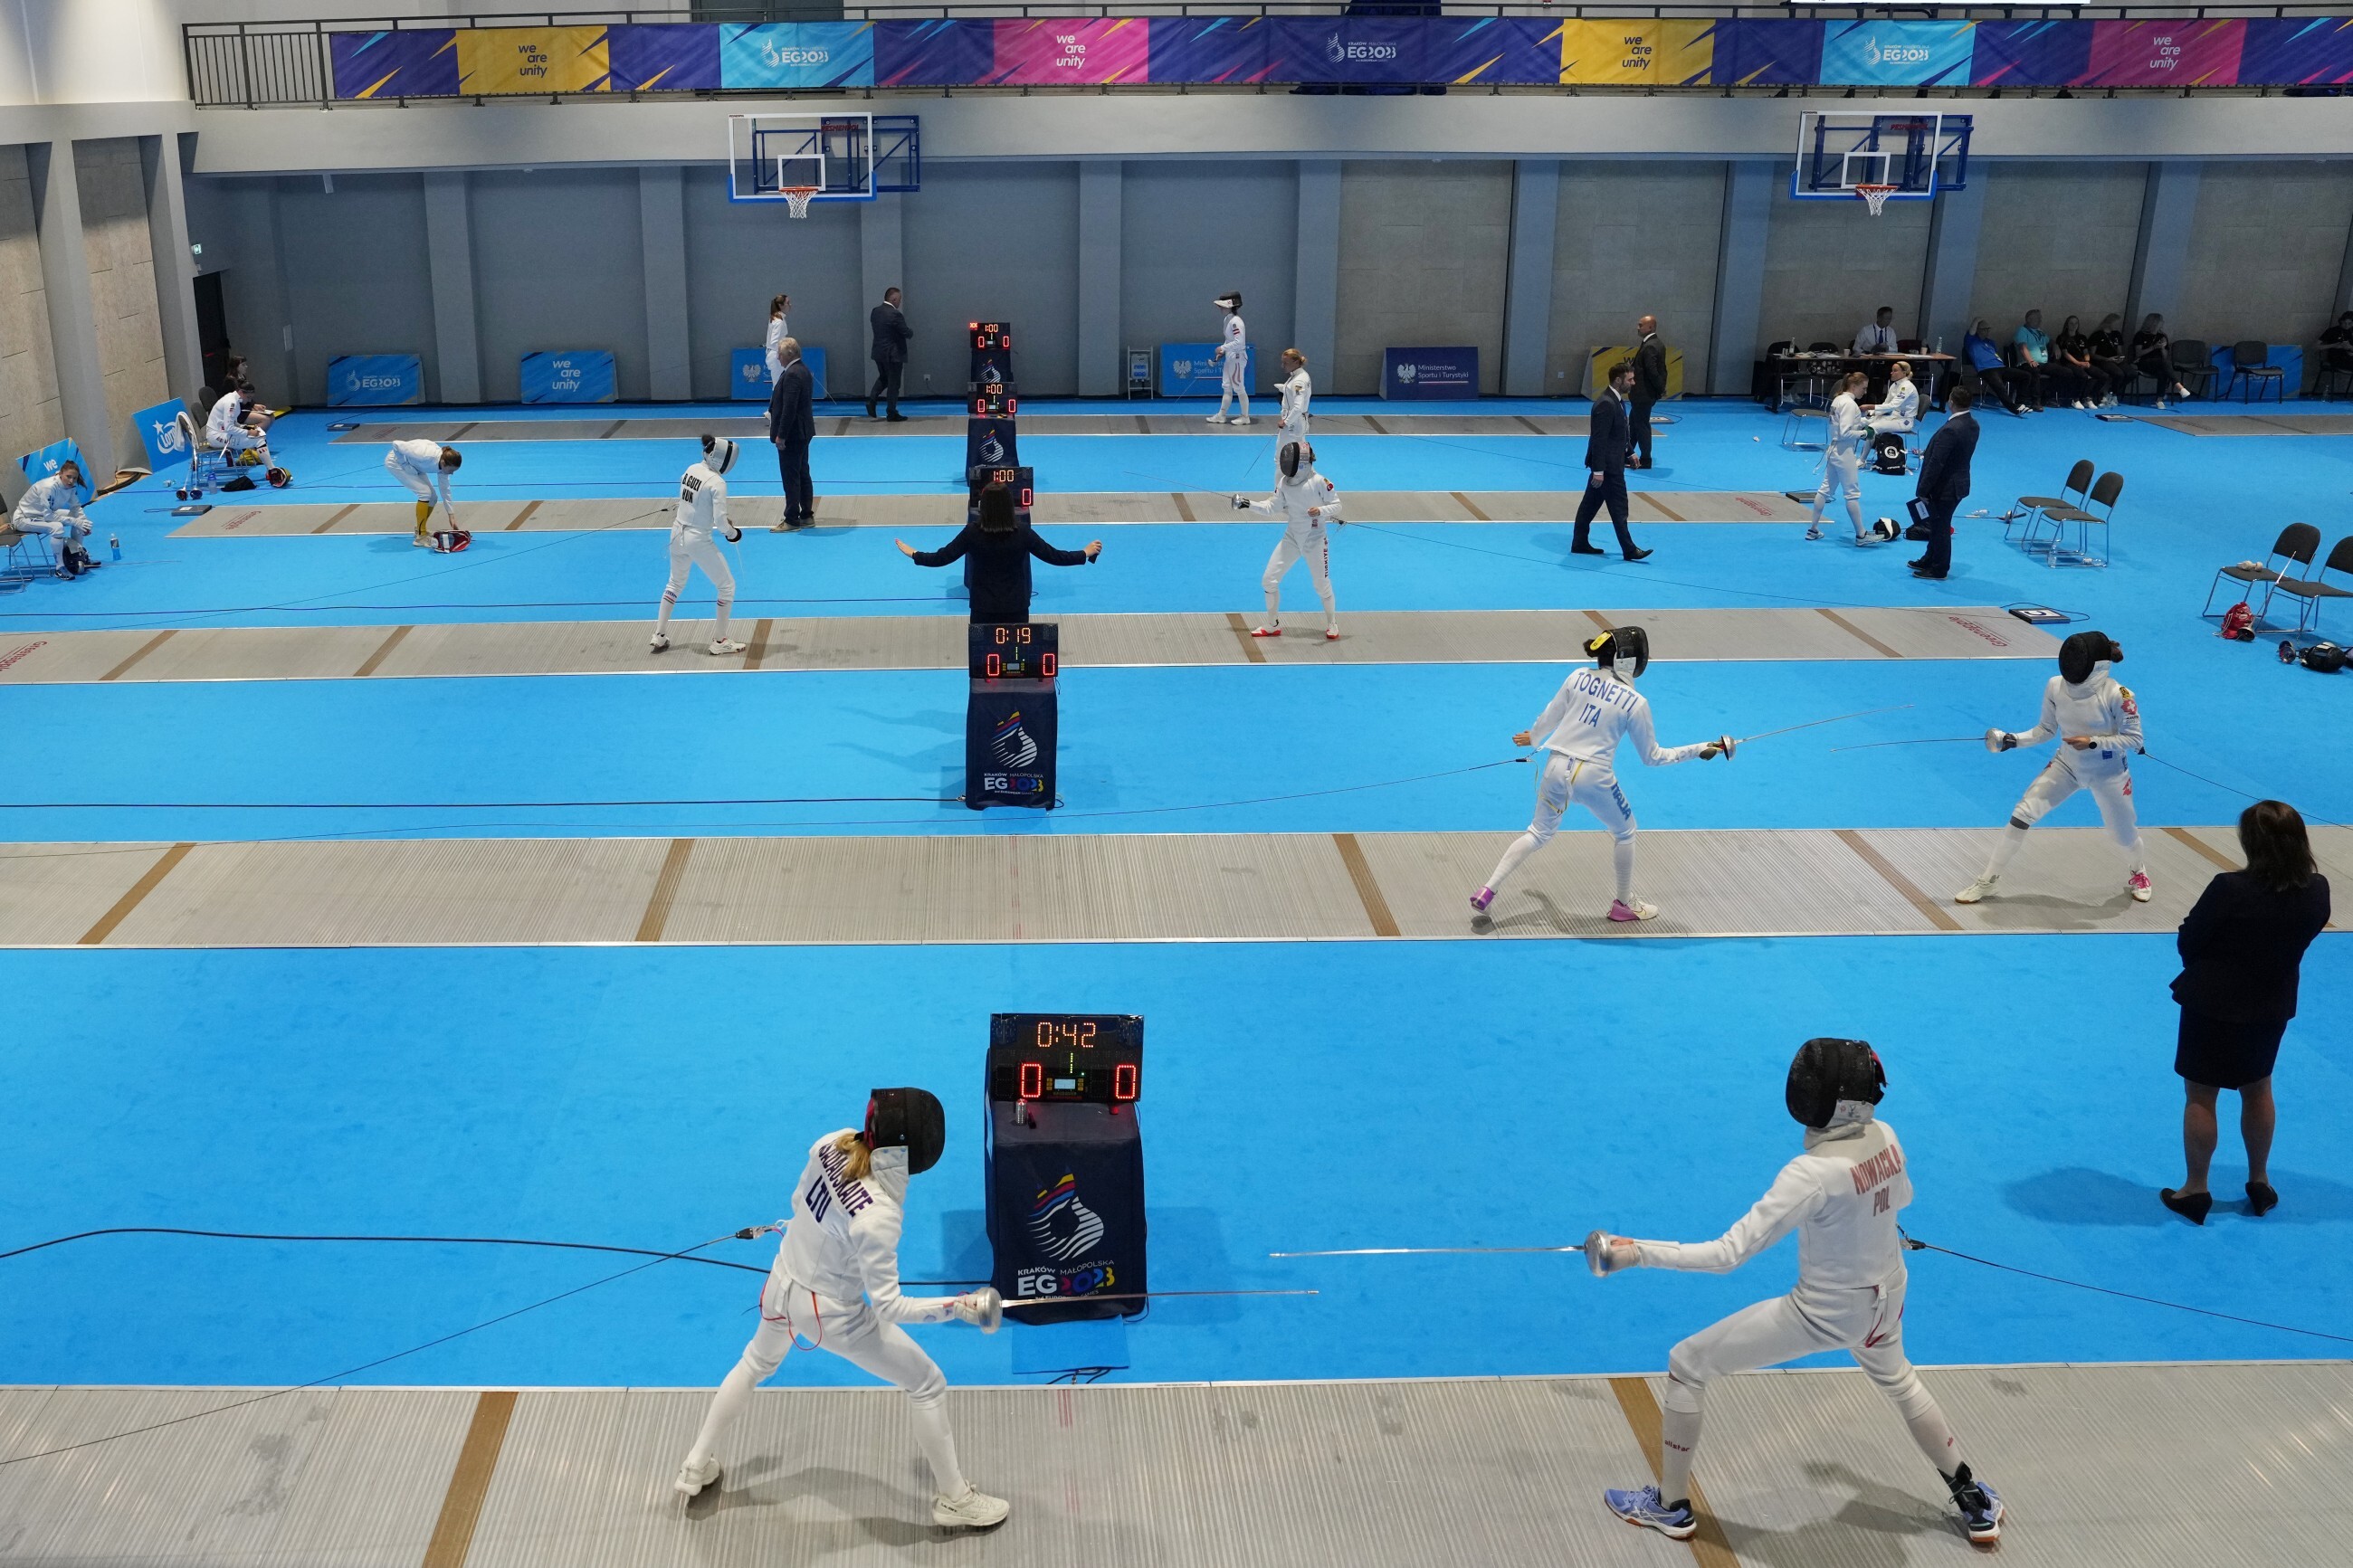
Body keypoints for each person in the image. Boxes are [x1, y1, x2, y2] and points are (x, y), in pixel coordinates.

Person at [1587, 1039, 2005, 1547]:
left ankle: (1670, 1506)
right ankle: (1973, 1498)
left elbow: (1727, 1254)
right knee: (1900, 1381)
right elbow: (1902, 1198)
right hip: (1887, 1300)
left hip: (1825, 1313)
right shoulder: (1887, 1136)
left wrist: (1637, 1252)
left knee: (1687, 1364)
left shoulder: (1810, 1174)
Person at [672, 1088, 1011, 1530]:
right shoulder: (879, 1216)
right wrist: (956, 1307)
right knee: (927, 1383)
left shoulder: (831, 1142)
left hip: (780, 1282)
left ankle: (695, 1466)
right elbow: (889, 1306)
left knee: (754, 1363)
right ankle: (956, 1500)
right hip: (830, 1314)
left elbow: (798, 1204)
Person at [1468, 626, 1731, 923]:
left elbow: (1549, 717)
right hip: (1593, 776)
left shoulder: (1578, 676)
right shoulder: (1636, 702)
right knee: (1626, 832)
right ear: (1629, 661)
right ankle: (1623, 905)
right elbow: (1653, 757)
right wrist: (1698, 749)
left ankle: (1488, 889)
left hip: (1555, 766)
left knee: (1537, 833)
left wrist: (1535, 737)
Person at [2161, 801, 2331, 1224]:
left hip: (2212, 1004)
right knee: (2258, 1088)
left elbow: (2190, 939)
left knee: (2201, 1094)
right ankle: (2259, 1181)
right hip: (2271, 1004)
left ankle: (2195, 1189)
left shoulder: (2229, 888)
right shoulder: (2317, 889)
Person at [1957, 631, 2149, 905]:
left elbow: (2135, 739)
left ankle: (2138, 871)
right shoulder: (2055, 686)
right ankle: (1988, 880)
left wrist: (2092, 741)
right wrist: (2013, 740)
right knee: (2021, 815)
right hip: (2067, 765)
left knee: (2124, 834)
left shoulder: (2119, 695)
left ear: (2094, 665)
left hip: (2109, 773)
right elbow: (2046, 730)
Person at [897, 480, 1100, 623]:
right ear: (1009, 505)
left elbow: (942, 557)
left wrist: (915, 554)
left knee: (983, 659)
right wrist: (1084, 553)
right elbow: (1054, 556)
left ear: (983, 506)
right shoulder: (1023, 533)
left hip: (983, 607)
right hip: (1016, 606)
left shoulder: (972, 533)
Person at [1232, 440, 1342, 640]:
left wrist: (1320, 510)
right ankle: (1272, 624)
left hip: (1315, 539)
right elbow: (1271, 507)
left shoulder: (1320, 481)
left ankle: (1332, 623)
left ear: (1301, 462)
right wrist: (1247, 504)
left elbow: (1337, 505)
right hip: (1292, 537)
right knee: (1269, 581)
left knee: (1321, 585)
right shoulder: (1284, 482)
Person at [651, 435, 746, 657]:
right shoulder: (717, 483)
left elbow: (692, 502)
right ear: (722, 459)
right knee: (727, 587)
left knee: (675, 583)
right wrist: (733, 534)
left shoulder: (691, 468)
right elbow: (720, 522)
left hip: (677, 533)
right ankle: (720, 641)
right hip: (697, 539)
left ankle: (659, 635)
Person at [1574, 361, 1650, 562]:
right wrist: (1598, 471)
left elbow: (1620, 432)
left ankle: (1579, 542)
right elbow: (1599, 440)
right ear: (1618, 380)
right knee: (1619, 508)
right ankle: (1629, 549)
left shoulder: (1617, 401)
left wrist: (1630, 452)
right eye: (1630, 379)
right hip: (1608, 468)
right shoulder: (1606, 404)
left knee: (1589, 506)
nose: (1633, 383)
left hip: (1610, 464)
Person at [1908, 385, 1977, 581]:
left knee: (1940, 527)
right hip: (1959, 483)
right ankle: (1930, 558)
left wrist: (1923, 489)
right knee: (1938, 524)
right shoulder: (1972, 424)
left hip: (1944, 487)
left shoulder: (1951, 429)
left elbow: (1936, 463)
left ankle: (1939, 568)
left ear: (1951, 402)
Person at [1804, 371, 1872, 545]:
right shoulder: (1850, 404)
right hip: (1844, 451)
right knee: (1852, 494)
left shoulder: (1838, 399)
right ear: (1854, 386)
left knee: (1825, 490)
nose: (1864, 392)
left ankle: (1813, 529)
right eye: (1863, 388)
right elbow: (1845, 432)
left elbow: (1844, 425)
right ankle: (1861, 535)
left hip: (1833, 449)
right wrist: (1864, 433)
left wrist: (1863, 422)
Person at [10, 461, 99, 575]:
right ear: (61, 473)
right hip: (24, 518)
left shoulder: (70, 486)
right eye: (68, 477)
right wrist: (75, 522)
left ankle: (78, 555)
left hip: (41, 514)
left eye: (74, 478)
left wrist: (84, 523)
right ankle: (59, 567)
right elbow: (49, 516)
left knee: (78, 519)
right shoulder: (48, 487)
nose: (71, 481)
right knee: (57, 527)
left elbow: (76, 507)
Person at [767, 336, 815, 530]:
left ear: (788, 354)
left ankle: (792, 519)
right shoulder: (803, 370)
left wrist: (782, 435)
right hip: (803, 432)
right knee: (802, 472)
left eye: (779, 354)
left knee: (791, 476)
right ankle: (807, 515)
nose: (778, 358)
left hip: (793, 434)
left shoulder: (793, 374)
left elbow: (789, 408)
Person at [385, 439, 462, 551]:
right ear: (443, 463)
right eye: (451, 470)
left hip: (415, 466)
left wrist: (451, 516)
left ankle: (420, 530)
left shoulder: (443, 465)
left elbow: (445, 490)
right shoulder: (426, 455)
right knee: (425, 493)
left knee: (433, 498)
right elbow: (396, 444)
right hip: (396, 463)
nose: (452, 473)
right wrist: (404, 464)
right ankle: (421, 537)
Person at [1961, 319, 2024, 416]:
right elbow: (1971, 330)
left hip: (2000, 367)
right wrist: (1977, 319)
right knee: (1999, 384)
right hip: (1985, 369)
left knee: (2025, 376)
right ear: (1978, 330)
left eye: (1988, 329)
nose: (1987, 331)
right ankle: (2014, 408)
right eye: (1984, 329)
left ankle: (2020, 402)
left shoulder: (1991, 342)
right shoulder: (1971, 340)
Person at [1628, 315, 1666, 470]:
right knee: (1634, 424)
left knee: (1641, 425)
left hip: (1643, 394)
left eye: (1641, 325)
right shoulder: (1655, 343)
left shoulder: (1650, 346)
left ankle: (1645, 459)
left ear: (1650, 327)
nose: (1638, 328)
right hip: (1643, 394)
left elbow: (1653, 372)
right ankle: (1627, 453)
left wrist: (1660, 389)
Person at [869, 286, 911, 421]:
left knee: (884, 378)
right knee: (894, 384)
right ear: (893, 299)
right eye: (899, 299)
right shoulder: (895, 314)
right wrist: (911, 332)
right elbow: (905, 332)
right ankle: (891, 413)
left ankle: (872, 399)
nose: (900, 302)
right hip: (893, 354)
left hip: (878, 352)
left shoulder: (875, 312)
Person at [2133, 313, 2194, 408]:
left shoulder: (2162, 336)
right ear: (2154, 323)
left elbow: (2165, 356)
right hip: (2144, 362)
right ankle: (2179, 387)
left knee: (2163, 371)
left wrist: (2162, 348)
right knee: (2164, 364)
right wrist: (2154, 347)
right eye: (2161, 321)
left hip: (2160, 363)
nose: (2163, 323)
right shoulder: (2140, 335)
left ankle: (2159, 400)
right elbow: (2138, 353)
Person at [1208, 291, 1251, 425]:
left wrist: (1222, 347)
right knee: (1227, 386)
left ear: (1230, 305)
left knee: (1239, 387)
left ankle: (1245, 417)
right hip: (1230, 357)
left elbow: (1239, 342)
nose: (1220, 308)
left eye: (1222, 306)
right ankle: (1221, 415)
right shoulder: (1228, 319)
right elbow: (1229, 339)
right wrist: (1223, 351)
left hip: (1237, 357)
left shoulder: (1236, 322)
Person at [2053, 314, 2110, 407]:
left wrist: (2087, 361)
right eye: (2071, 323)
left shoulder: (2082, 337)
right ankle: (2075, 399)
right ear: (2067, 325)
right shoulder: (2062, 337)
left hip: (2083, 362)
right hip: (2069, 362)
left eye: (2076, 323)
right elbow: (2065, 353)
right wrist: (2078, 363)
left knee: (2104, 376)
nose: (2074, 325)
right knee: (2083, 376)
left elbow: (2086, 352)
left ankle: (2089, 397)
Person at [2088, 313, 2131, 403]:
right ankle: (2112, 393)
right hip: (2102, 360)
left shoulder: (2117, 334)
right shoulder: (2097, 335)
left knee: (2131, 373)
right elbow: (2092, 354)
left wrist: (2121, 357)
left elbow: (2119, 351)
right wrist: (2107, 359)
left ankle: (2112, 391)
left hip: (2115, 360)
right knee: (2119, 373)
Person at [1275, 347, 1312, 452]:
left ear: (1296, 362)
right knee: (1301, 452)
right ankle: (1307, 463)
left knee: (1280, 454)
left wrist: (1286, 422)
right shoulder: (1299, 375)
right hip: (1296, 421)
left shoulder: (1298, 381)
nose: (1283, 366)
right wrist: (1284, 388)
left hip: (1293, 422)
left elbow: (1298, 407)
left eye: (1286, 363)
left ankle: (1307, 462)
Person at [762, 293, 790, 384]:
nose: (790, 305)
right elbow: (774, 342)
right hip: (776, 357)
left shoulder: (776, 318)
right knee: (778, 385)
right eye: (787, 303)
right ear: (781, 305)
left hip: (775, 355)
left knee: (779, 385)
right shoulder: (778, 321)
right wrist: (783, 354)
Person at [2319, 310, 2353, 378]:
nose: (2347, 325)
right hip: (2336, 359)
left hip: (2349, 357)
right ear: (2341, 321)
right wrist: (2334, 345)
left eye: (2350, 323)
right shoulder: (2332, 331)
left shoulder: (2351, 331)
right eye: (2345, 323)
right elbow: (2316, 346)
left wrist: (2350, 347)